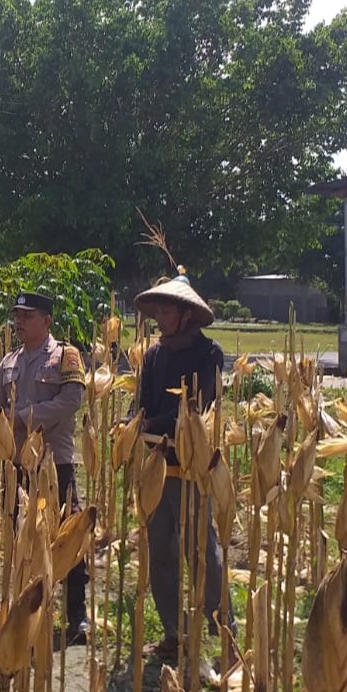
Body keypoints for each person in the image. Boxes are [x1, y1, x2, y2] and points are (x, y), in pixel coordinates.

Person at [132, 268, 235, 661]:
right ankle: (173, 633)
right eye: (157, 310)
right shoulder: (155, 355)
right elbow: (141, 403)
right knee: (159, 550)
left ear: (186, 315)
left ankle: (223, 630)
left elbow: (193, 409)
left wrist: (145, 424)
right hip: (157, 467)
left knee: (202, 551)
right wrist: (131, 424)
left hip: (192, 468)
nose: (159, 318)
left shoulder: (210, 355)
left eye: (166, 311)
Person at [0, 292, 89, 644]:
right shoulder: (9, 362)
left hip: (53, 462)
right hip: (18, 466)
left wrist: (25, 418)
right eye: (17, 315)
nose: (19, 322)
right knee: (19, 536)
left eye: (27, 316)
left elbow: (71, 400)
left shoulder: (66, 357)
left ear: (46, 320)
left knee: (68, 536)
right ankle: (25, 608)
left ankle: (77, 616)